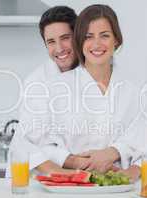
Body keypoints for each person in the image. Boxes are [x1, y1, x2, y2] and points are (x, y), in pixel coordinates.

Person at [22, 4, 147, 181]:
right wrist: (77, 166)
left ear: (116, 40)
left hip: (119, 191)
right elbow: (34, 145)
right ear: (80, 42)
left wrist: (120, 168)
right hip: (68, 190)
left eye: (105, 35)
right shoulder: (53, 89)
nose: (96, 44)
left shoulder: (132, 91)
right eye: (88, 37)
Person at [7, 6, 87, 177]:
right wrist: (72, 162)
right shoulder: (37, 82)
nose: (59, 48)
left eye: (65, 38)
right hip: (44, 179)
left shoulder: (94, 73)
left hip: (87, 177)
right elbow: (32, 143)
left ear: (78, 37)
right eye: (51, 42)